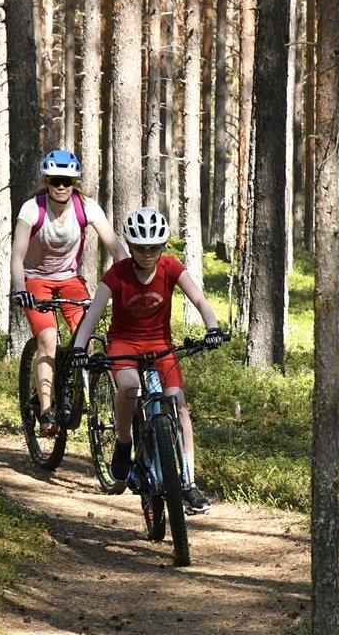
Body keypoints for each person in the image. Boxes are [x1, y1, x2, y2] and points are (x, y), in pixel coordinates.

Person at [70, 206, 225, 514]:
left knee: (178, 404)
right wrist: (79, 347)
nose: (148, 253)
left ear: (162, 246)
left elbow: (198, 298)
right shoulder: (117, 274)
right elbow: (93, 314)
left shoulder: (170, 268)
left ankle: (189, 484)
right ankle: (124, 442)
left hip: (160, 345)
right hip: (124, 343)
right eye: (141, 248)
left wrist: (213, 327)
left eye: (154, 247)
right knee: (128, 386)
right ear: (131, 246)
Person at [9, 150, 125, 436]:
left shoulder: (86, 207)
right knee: (48, 338)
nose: (61, 187)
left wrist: (131, 281)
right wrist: (20, 288)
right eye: (56, 181)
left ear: (75, 182)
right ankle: (46, 412)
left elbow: (116, 248)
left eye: (67, 181)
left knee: (85, 339)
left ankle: (74, 392)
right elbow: (17, 254)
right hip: (35, 279)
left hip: (70, 279)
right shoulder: (32, 209)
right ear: (47, 181)